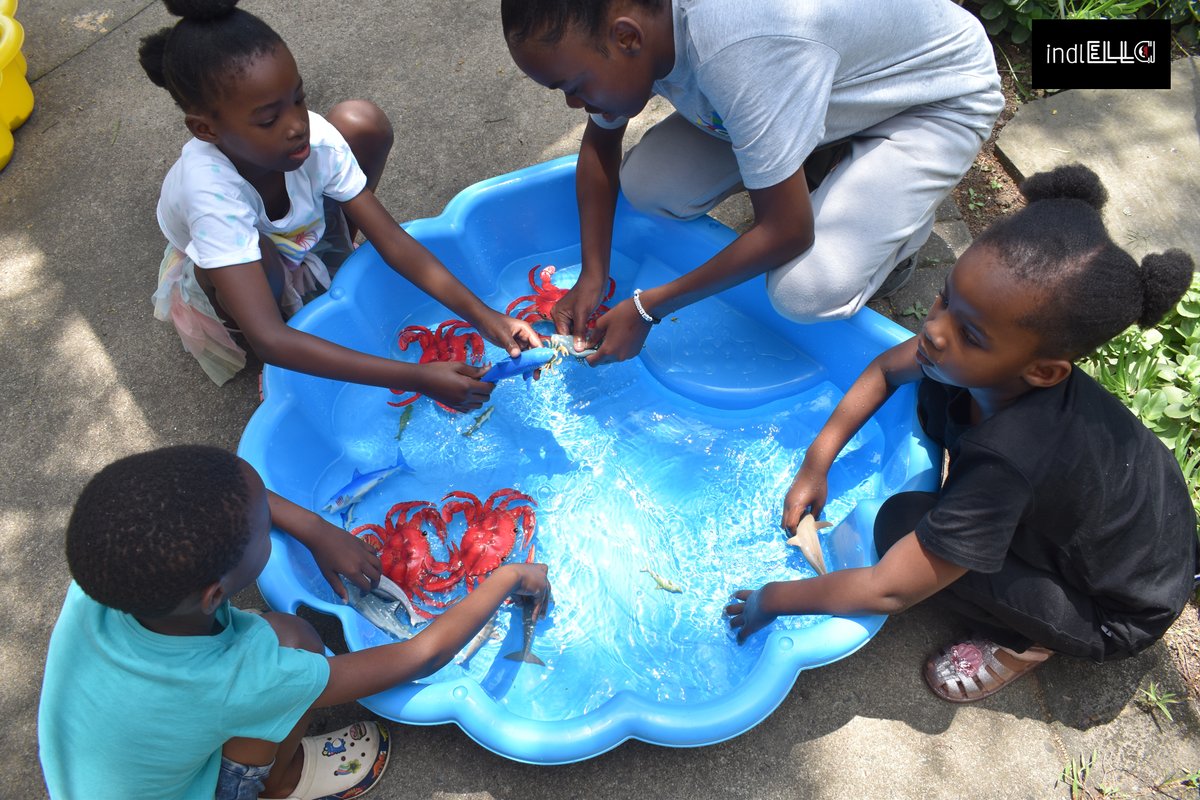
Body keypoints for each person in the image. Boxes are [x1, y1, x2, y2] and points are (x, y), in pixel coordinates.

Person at [725, 165, 1197, 703]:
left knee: (900, 525)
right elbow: (885, 369)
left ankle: (1022, 642)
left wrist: (772, 599)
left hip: (1112, 607)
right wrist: (817, 461)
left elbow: (890, 590)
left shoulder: (1009, 462)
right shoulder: (976, 363)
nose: (934, 329)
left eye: (970, 333)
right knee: (932, 385)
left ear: (1043, 371)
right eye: (946, 297)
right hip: (1136, 517)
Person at [501, 0, 1004, 364]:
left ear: (628, 37)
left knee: (805, 292)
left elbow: (787, 231)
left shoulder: (739, 48)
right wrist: (593, 272)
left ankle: (903, 230)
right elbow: (600, 147)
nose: (572, 104)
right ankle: (814, 152)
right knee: (649, 185)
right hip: (809, 87)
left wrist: (648, 307)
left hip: (930, 98)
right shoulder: (633, 28)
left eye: (572, 87)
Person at [38, 445, 551, 799]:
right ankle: (280, 784)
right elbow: (421, 655)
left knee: (279, 637)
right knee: (298, 644)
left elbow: (227, 484)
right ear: (215, 592)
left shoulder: (108, 571)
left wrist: (315, 528)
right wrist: (506, 578)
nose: (272, 517)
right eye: (266, 523)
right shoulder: (242, 678)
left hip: (87, 772)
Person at [140, 0, 538, 408]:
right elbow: (270, 338)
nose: (297, 125)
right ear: (205, 129)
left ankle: (326, 264)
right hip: (241, 263)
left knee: (359, 121)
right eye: (267, 120)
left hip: (298, 234)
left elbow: (393, 243)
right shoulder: (208, 193)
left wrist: (486, 317)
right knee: (261, 262)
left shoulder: (313, 139)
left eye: (297, 98)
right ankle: (278, 338)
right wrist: (417, 377)